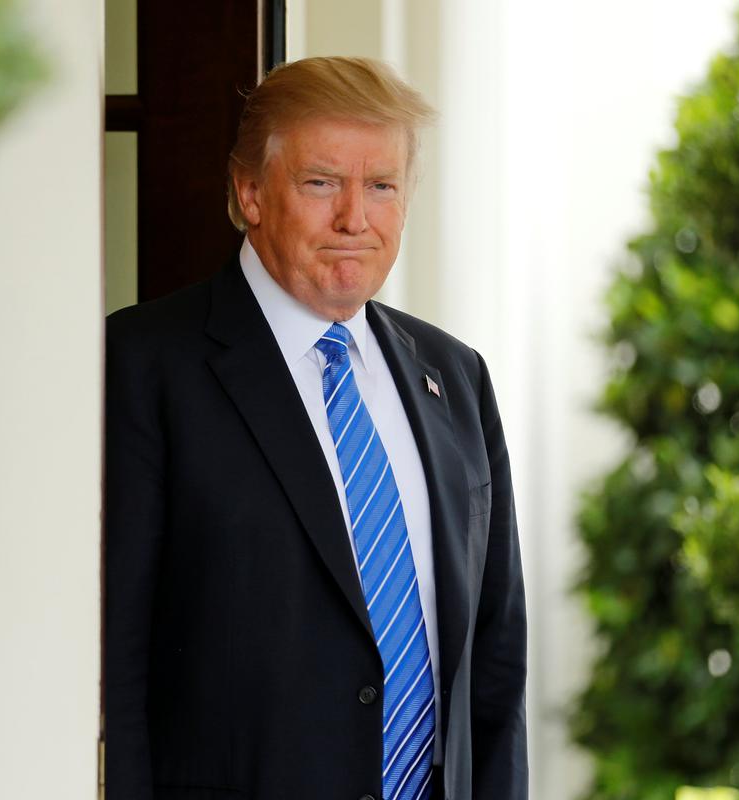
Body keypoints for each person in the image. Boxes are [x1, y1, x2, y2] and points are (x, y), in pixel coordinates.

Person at [104, 56, 527, 800]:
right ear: (250, 193)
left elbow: (495, 671)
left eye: (382, 186)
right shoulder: (142, 366)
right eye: (322, 182)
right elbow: (119, 665)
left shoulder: (456, 378)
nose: (354, 220)